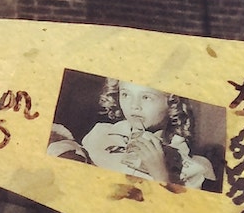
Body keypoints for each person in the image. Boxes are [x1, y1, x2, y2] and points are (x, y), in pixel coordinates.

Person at [78, 78, 217, 190]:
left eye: (146, 97)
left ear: (173, 102)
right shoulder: (100, 134)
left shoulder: (195, 166)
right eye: (125, 94)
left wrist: (160, 174)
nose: (134, 106)